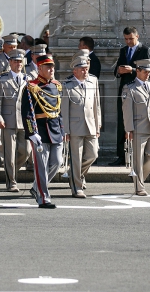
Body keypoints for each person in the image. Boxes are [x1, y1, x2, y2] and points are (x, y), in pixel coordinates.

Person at [21, 54, 64, 209]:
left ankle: (35, 187)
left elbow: (59, 111)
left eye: (52, 66)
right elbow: (26, 112)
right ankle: (43, 197)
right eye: (48, 67)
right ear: (40, 68)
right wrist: (32, 132)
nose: (51, 69)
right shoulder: (31, 87)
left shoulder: (56, 85)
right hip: (40, 131)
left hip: (55, 129)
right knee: (41, 165)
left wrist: (62, 129)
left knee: (57, 162)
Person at [61, 56, 101, 198]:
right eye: (82, 69)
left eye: (86, 69)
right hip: (74, 127)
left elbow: (97, 104)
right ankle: (77, 187)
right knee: (76, 158)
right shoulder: (67, 85)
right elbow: (64, 110)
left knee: (93, 154)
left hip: (90, 125)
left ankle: (76, 174)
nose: (85, 71)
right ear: (75, 71)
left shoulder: (93, 81)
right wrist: (65, 130)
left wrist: (98, 124)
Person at [111, 27, 150, 166]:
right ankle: (122, 156)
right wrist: (118, 70)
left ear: (137, 36)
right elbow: (116, 71)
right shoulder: (123, 50)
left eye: (131, 39)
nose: (128, 41)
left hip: (139, 91)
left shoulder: (145, 50)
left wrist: (133, 70)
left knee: (138, 123)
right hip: (124, 90)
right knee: (123, 123)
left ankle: (138, 156)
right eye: (126, 39)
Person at [121, 59, 150, 196]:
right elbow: (127, 110)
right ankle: (139, 187)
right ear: (137, 71)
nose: (148, 74)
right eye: (145, 72)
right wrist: (128, 129)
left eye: (149, 72)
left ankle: (139, 178)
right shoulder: (129, 88)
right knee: (137, 160)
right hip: (138, 128)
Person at [0, 49, 31, 192]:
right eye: (15, 61)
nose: (18, 64)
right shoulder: (2, 79)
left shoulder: (28, 80)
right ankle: (12, 181)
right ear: (10, 62)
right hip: (7, 120)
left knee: (26, 151)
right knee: (9, 154)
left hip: (24, 122)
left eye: (20, 61)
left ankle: (12, 172)